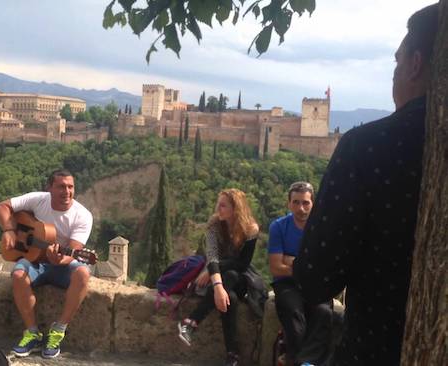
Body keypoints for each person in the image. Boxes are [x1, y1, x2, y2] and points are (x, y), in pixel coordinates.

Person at [293, 4, 439, 365]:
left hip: (377, 347)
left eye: (397, 61)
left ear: (415, 64)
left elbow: (315, 276)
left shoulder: (368, 147)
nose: (393, 74)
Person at [0, 169, 93, 359]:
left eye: (70, 187)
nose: (67, 191)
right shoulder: (38, 199)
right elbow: (2, 207)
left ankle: (58, 330)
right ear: (49, 188)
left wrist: (59, 259)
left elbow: (73, 251)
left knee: (83, 273)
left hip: (61, 264)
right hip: (35, 261)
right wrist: (9, 230)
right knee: (17, 275)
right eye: (61, 187)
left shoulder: (82, 215)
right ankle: (32, 333)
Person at [177, 188, 260, 366]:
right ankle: (233, 354)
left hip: (240, 278)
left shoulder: (251, 229)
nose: (218, 209)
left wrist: (211, 272)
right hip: (220, 279)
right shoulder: (214, 224)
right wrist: (219, 287)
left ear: (236, 208)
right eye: (218, 205)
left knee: (230, 275)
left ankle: (191, 321)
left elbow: (242, 264)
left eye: (223, 206)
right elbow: (212, 256)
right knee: (229, 299)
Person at [268, 182, 332, 366]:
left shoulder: (322, 228)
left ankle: (298, 361)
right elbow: (275, 268)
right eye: (296, 202)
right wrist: (305, 265)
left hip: (315, 283)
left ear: (313, 203)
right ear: (289, 204)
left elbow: (325, 265)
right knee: (294, 314)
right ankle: (303, 362)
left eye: (305, 203)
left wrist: (291, 261)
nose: (301, 208)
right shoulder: (279, 227)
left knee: (324, 313)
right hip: (287, 284)